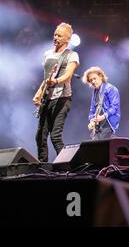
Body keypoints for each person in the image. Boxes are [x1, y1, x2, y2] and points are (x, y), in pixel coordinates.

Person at [33, 23, 80, 162]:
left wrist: (56, 81)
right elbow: (46, 78)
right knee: (40, 135)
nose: (56, 37)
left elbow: (68, 76)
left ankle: (68, 165)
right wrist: (38, 93)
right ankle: (43, 166)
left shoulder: (72, 55)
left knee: (55, 136)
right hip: (47, 98)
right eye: (55, 34)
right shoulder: (47, 54)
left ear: (67, 39)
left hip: (62, 98)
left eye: (59, 35)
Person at [82, 66, 120, 140]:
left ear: (101, 76)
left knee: (97, 145)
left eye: (94, 78)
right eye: (90, 80)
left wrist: (102, 117)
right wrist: (91, 121)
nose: (92, 81)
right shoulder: (95, 92)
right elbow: (92, 110)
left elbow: (114, 107)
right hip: (99, 127)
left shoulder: (111, 89)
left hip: (108, 124)